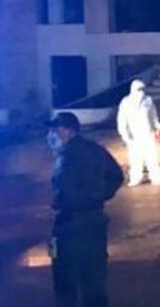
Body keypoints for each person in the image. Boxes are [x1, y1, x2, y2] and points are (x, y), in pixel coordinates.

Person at [47, 112, 123, 307]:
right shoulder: (95, 150)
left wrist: (83, 200)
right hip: (94, 219)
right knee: (94, 276)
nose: (52, 135)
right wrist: (99, 197)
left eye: (56, 130)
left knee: (66, 278)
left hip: (70, 224)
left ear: (68, 131)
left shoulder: (67, 157)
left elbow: (65, 190)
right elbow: (116, 176)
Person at [116, 80, 160, 186]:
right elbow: (122, 120)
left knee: (152, 157)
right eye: (138, 89)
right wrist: (125, 134)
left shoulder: (148, 100)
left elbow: (153, 116)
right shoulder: (126, 102)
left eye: (142, 89)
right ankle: (136, 178)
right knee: (135, 159)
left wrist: (158, 129)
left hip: (148, 134)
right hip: (134, 136)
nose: (141, 91)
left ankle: (156, 178)